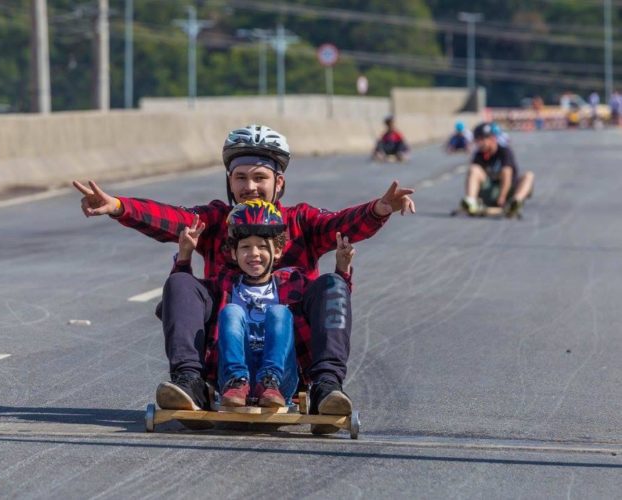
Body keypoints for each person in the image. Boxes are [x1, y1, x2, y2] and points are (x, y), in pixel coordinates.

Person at [73, 124, 415, 432]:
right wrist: (120, 206)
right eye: (240, 178)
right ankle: (189, 382)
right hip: (225, 352)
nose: (249, 187)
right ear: (229, 181)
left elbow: (342, 225)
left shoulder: (301, 222)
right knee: (181, 284)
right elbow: (172, 219)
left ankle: (327, 387)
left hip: (288, 357)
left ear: (278, 182)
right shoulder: (216, 221)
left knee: (333, 286)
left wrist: (379, 209)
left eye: (259, 177)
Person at [173, 200, 355, 410]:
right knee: (231, 311)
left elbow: (331, 306)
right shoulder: (223, 284)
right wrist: (184, 258)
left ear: (278, 251)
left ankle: (321, 387)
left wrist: (342, 270)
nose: (254, 253)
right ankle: (232, 381)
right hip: (230, 378)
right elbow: (184, 301)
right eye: (245, 247)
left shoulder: (294, 282)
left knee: (279, 312)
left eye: (262, 246)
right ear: (234, 253)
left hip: (281, 379)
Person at [461, 122, 535, 218]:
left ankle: (515, 203)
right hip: (490, 190)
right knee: (474, 169)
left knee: (529, 176)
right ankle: (471, 201)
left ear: (492, 139)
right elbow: (473, 176)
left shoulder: (504, 152)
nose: (479, 143)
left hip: (508, 191)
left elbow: (507, 174)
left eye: (482, 139)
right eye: (477, 140)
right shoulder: (479, 155)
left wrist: (502, 197)